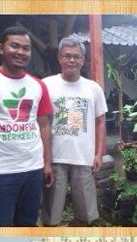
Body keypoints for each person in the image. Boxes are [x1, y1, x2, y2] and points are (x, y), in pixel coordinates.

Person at [0, 25, 53, 226]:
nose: (21, 52)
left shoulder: (38, 85)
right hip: (0, 171)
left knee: (28, 224)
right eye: (15, 46)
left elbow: (44, 125)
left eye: (26, 48)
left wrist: (47, 163)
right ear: (1, 48)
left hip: (33, 168)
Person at [42, 36, 108, 227]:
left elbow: (100, 122)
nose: (71, 60)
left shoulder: (93, 88)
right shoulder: (46, 85)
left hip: (83, 158)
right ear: (59, 58)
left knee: (85, 215)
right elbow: (41, 122)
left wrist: (98, 154)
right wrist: (43, 158)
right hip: (55, 159)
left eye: (76, 57)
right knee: (51, 217)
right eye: (67, 56)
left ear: (82, 60)